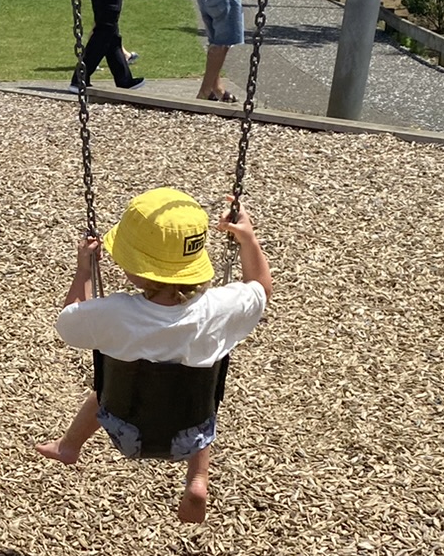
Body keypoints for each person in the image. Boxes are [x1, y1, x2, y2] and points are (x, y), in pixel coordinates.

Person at [35, 188, 271, 524]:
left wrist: (84, 269)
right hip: (191, 431)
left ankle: (69, 446)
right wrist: (247, 238)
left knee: (106, 387)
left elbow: (69, 321)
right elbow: (261, 287)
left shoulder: (115, 314)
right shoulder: (221, 307)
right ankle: (197, 479)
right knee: (200, 397)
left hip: (125, 427)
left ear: (136, 266)